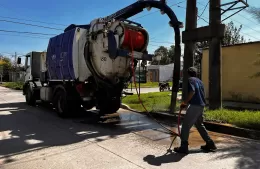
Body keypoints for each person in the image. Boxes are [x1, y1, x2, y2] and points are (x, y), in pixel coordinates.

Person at [174, 67, 217, 154]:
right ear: (196, 73)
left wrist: (185, 103)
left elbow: (192, 91)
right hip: (201, 105)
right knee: (199, 125)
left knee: (185, 125)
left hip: (195, 106)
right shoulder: (200, 82)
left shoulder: (190, 80)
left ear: (188, 74)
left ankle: (184, 147)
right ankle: (210, 143)